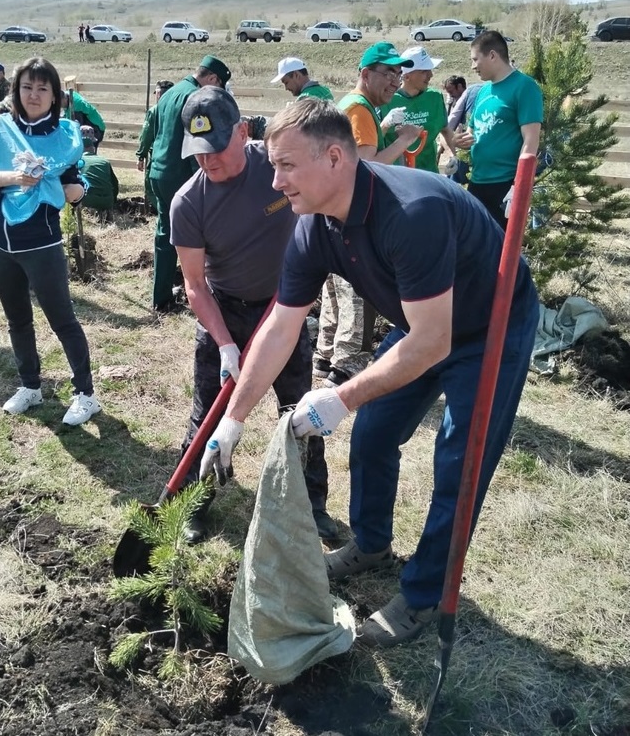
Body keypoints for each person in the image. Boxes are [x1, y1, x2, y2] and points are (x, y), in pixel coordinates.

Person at [199, 97, 539, 648]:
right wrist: (232, 421)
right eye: (274, 166)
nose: (275, 182)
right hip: (421, 321)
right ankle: (372, 544)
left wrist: (339, 399)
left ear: (334, 157)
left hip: (488, 325)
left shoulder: (411, 212)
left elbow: (433, 343)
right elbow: (281, 328)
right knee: (374, 434)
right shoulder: (313, 225)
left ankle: (424, 594)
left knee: (459, 463)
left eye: (286, 166)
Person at [169, 87, 338, 542]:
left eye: (217, 147)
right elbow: (194, 285)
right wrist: (225, 344)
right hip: (225, 311)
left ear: (242, 132)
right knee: (209, 414)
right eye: (198, 150)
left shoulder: (276, 167)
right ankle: (192, 504)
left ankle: (311, 506)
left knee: (299, 411)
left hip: (284, 308)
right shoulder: (189, 202)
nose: (208, 160)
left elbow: (320, 202)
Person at [0, 56, 102, 427]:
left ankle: (85, 394)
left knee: (62, 319)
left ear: (55, 95)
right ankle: (30, 385)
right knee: (17, 320)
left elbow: (77, 183)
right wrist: (12, 177)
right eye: (27, 87)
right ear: (16, 90)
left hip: (41, 243)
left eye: (43, 88)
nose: (34, 95)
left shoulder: (66, 136)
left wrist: (73, 190)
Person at [313, 44, 421, 389]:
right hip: (356, 214)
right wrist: (404, 140)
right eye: (388, 73)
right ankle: (348, 366)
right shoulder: (359, 110)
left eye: (399, 74)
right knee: (358, 289)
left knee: (335, 284)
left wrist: (384, 127)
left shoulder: (351, 105)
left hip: (334, 210)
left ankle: (326, 355)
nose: (395, 81)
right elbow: (366, 167)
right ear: (365, 74)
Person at [149, 55, 231, 313]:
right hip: (181, 175)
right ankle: (203, 293)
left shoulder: (171, 92)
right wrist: (207, 180)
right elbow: (198, 142)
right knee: (198, 236)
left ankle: (161, 296)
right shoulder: (196, 98)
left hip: (159, 172)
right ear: (213, 79)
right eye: (218, 87)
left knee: (164, 235)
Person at [455, 30, 543, 229]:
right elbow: (473, 133)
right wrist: (459, 141)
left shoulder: (525, 87)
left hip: (505, 185)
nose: (472, 66)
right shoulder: (483, 91)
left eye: (475, 59)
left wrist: (518, 187)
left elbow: (531, 140)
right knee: (472, 242)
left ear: (492, 55)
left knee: (500, 245)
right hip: (478, 182)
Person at [379, 46, 457, 174]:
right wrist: (385, 124)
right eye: (424, 71)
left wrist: (452, 155)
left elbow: (445, 130)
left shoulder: (434, 97)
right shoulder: (386, 100)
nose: (430, 75)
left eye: (430, 70)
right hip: (397, 176)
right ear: (406, 76)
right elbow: (374, 140)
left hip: (429, 174)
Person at [136, 79, 173, 212]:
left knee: (151, 186)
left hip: (158, 155)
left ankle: (163, 213)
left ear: (158, 94)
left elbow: (147, 135)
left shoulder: (155, 111)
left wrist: (141, 155)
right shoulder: (180, 108)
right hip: (179, 155)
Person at [79, 126, 119, 221]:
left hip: (87, 201)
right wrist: (113, 202)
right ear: (93, 148)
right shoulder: (104, 161)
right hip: (107, 201)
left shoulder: (78, 162)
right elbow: (115, 184)